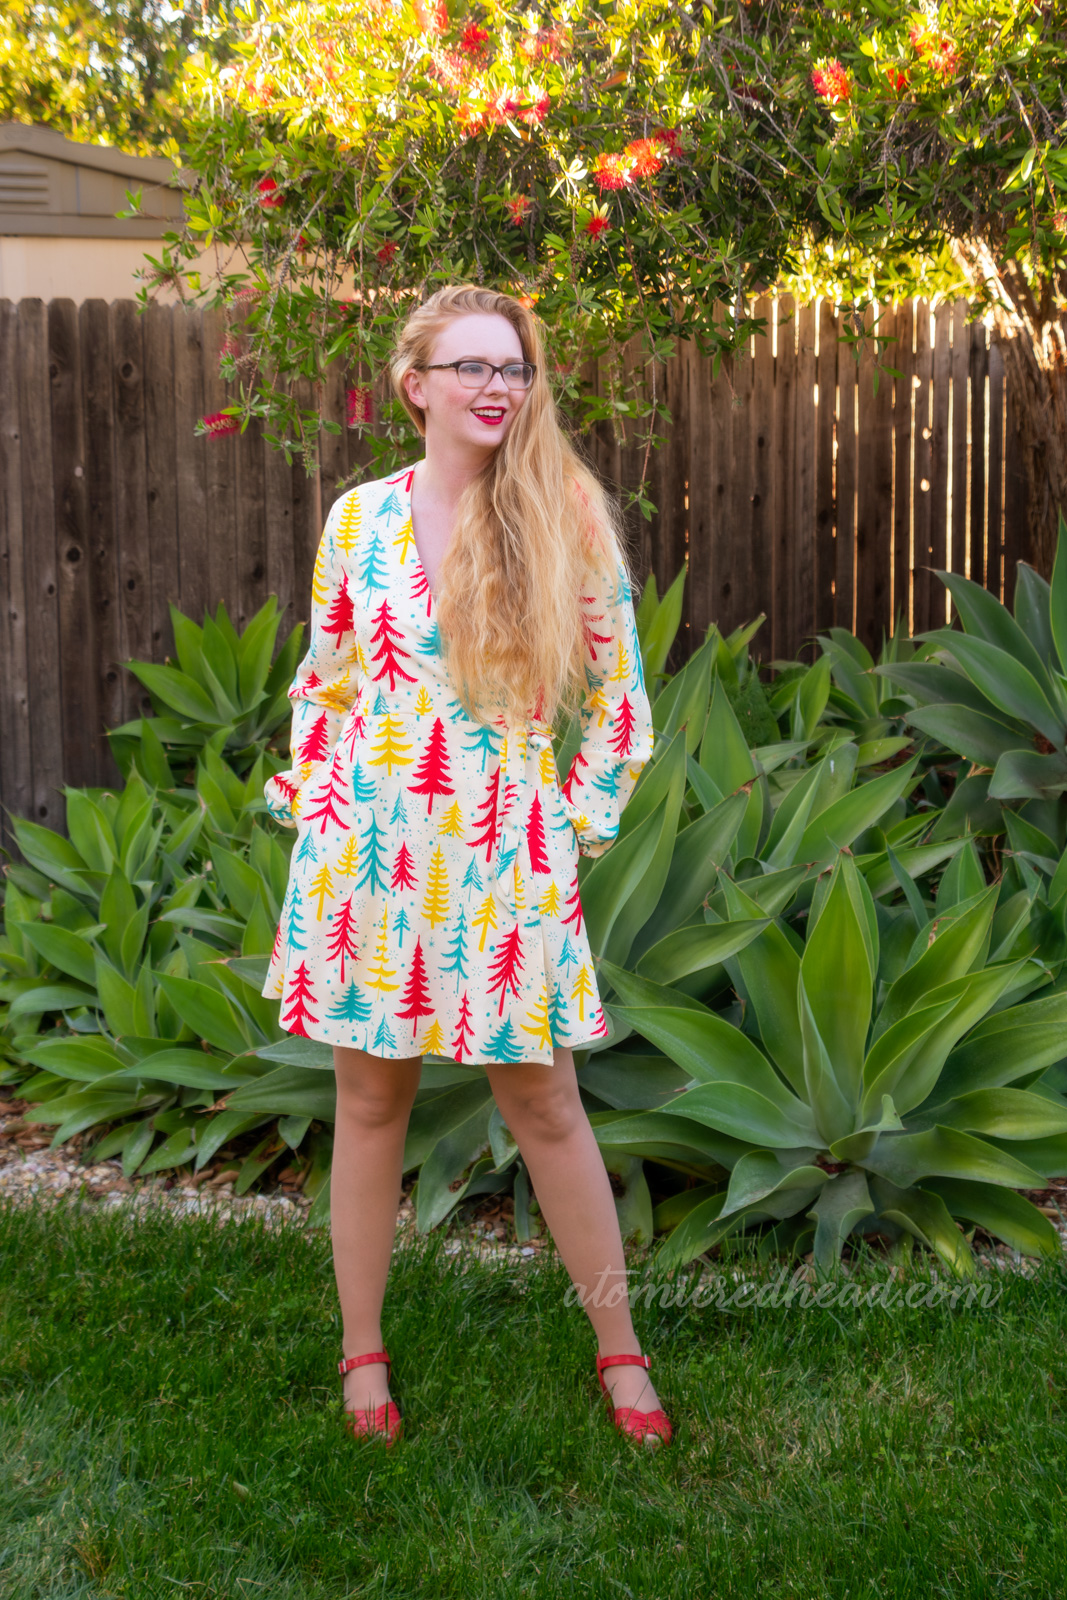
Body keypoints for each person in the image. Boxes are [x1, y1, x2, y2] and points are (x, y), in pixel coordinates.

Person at [261, 284, 671, 1449]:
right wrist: (318, 807)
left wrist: (566, 828)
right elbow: (325, 681)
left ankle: (619, 1347)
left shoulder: (562, 517)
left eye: (514, 369)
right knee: (368, 1099)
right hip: (367, 861)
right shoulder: (358, 521)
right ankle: (362, 1349)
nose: (498, 387)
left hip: (506, 857)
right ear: (415, 385)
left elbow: (621, 704)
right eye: (472, 367)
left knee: (543, 1099)